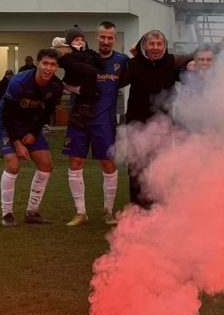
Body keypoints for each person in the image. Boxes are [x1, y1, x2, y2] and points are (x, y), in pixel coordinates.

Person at [62, 21, 130, 227]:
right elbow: (63, 82)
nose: (106, 41)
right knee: (75, 163)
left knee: (108, 164)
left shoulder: (122, 61)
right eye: (103, 37)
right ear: (96, 37)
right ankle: (81, 212)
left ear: (115, 39)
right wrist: (80, 91)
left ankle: (108, 211)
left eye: (110, 37)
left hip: (104, 121)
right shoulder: (84, 56)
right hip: (80, 118)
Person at [123, 30, 196, 207]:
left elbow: (195, 55)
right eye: (151, 44)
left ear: (164, 46)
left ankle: (158, 205)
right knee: (136, 167)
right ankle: (137, 207)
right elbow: (113, 83)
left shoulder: (171, 62)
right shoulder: (132, 64)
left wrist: (221, 46)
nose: (155, 48)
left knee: (161, 166)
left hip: (163, 126)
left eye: (159, 44)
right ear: (145, 45)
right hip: (136, 125)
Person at [0, 48, 64, 227]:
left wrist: (33, 133)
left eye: (53, 65)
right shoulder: (19, 82)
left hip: (30, 123)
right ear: (37, 64)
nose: (48, 68)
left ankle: (32, 212)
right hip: (7, 121)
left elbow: (46, 112)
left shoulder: (56, 86)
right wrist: (17, 143)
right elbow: (7, 115)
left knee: (46, 165)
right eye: (45, 63)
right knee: (13, 164)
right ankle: (7, 214)